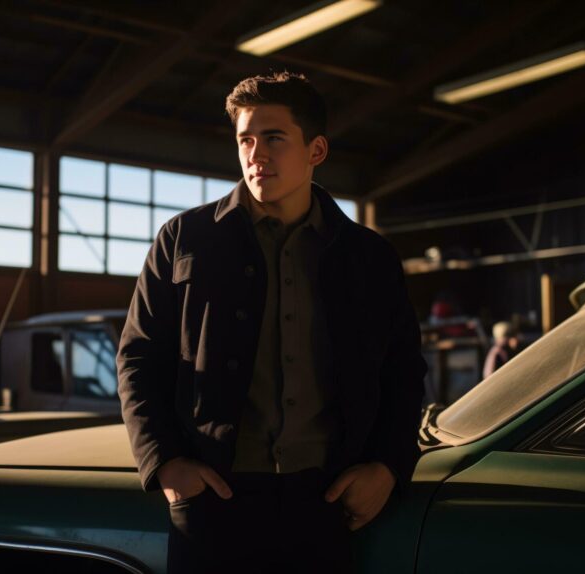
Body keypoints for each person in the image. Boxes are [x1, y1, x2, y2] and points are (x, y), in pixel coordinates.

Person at [116, 71, 427, 574]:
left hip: (327, 502)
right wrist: (164, 462)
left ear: (316, 150)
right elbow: (138, 355)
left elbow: (403, 371)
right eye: (246, 140)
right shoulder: (184, 239)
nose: (256, 154)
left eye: (275, 138)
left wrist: (389, 468)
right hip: (212, 500)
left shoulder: (369, 257)